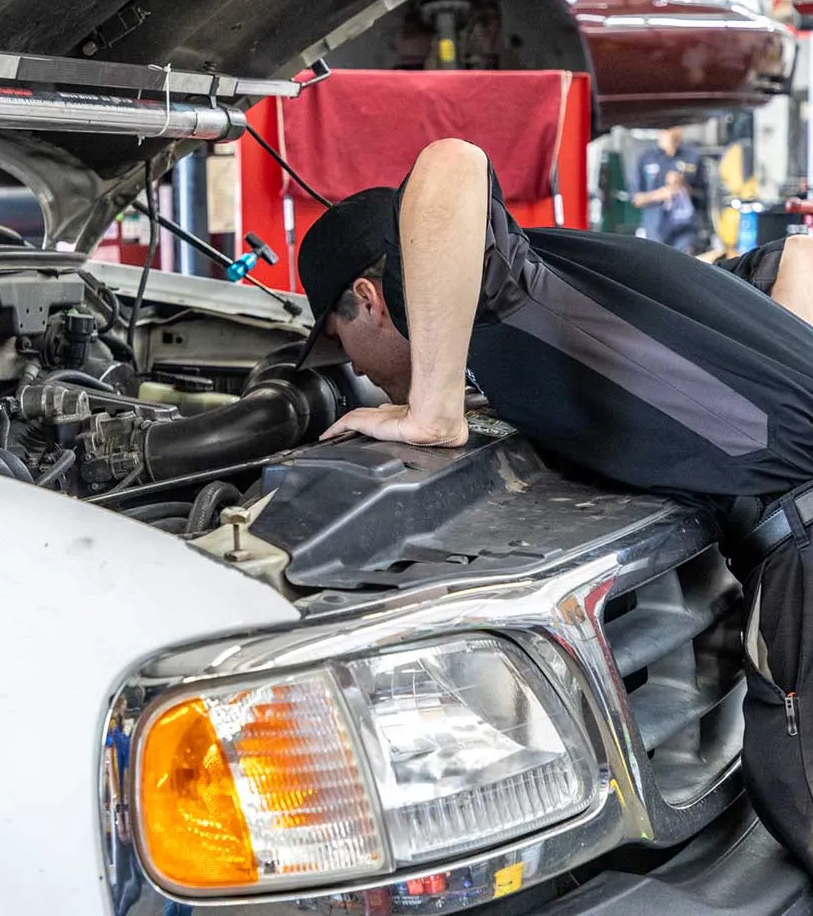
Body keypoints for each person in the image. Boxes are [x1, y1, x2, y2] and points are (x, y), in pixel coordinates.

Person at [295, 138, 813, 872]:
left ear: (373, 300)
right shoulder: (587, 284)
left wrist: (433, 413)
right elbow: (798, 256)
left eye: (345, 350)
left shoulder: (507, 288)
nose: (360, 376)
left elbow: (450, 159)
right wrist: (764, 409)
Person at [632, 126, 708, 252]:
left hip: (685, 230)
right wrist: (660, 194)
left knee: (685, 261)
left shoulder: (693, 157)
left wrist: (683, 186)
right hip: (656, 232)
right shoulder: (645, 158)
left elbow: (702, 196)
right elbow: (636, 199)